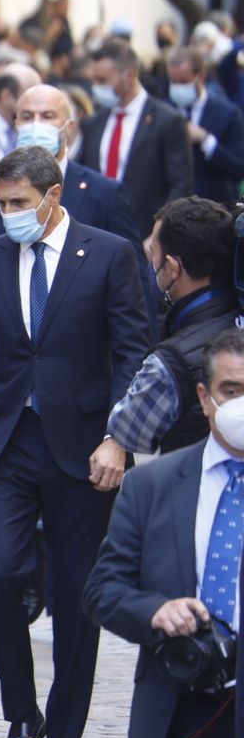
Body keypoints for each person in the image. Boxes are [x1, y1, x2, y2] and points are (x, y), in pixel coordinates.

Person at [0, 145, 149, 738]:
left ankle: (65, 737)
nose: (6, 214)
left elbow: (133, 354)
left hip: (86, 447)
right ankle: (21, 713)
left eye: (18, 203)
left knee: (76, 593)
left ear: (53, 196)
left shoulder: (109, 253)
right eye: (1, 203)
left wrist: (120, 437)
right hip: (8, 443)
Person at [84, 328, 244, 738]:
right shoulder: (153, 488)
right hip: (189, 712)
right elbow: (103, 590)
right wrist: (155, 611)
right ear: (204, 398)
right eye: (231, 390)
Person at [109, 197, 238, 455]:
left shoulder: (169, 362)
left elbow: (127, 431)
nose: (151, 266)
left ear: (172, 267)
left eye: (153, 255)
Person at [0, 84, 140, 253]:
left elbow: (129, 271)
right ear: (16, 125)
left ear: (68, 127)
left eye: (47, 116)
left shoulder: (105, 194)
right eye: (27, 117)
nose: (36, 124)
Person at [81, 38, 193, 237]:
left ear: (130, 75)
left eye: (103, 80)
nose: (96, 87)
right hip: (98, 236)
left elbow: (180, 184)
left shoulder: (167, 120)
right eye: (94, 80)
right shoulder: (94, 122)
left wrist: (160, 234)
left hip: (145, 236)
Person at [165, 46, 244, 204]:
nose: (177, 86)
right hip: (171, 209)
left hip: (213, 209)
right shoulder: (165, 111)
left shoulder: (227, 113)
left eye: (184, 81)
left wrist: (206, 140)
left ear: (200, 77)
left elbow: (238, 168)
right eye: (173, 81)